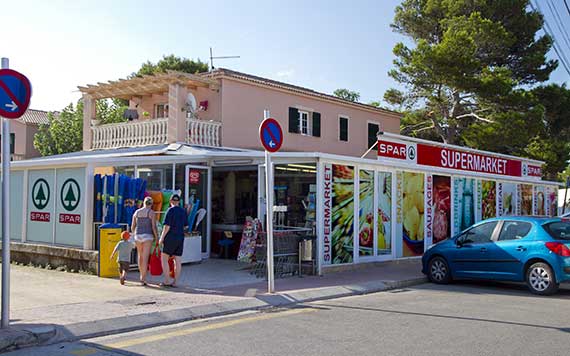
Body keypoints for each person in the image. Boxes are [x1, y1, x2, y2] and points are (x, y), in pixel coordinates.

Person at [159, 194, 187, 287]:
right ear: (178, 202)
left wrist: (161, 238)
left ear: (170, 202)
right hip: (180, 237)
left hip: (170, 237)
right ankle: (175, 282)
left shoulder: (170, 210)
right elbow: (186, 226)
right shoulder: (183, 211)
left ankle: (167, 280)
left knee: (164, 258)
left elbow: (166, 227)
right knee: (177, 260)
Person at [131, 196, 158, 285]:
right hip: (148, 235)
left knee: (140, 255)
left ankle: (140, 275)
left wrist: (134, 234)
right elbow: (154, 227)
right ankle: (143, 277)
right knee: (145, 257)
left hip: (138, 235)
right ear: (151, 204)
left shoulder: (137, 212)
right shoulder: (151, 213)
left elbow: (133, 226)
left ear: (143, 202)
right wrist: (157, 237)